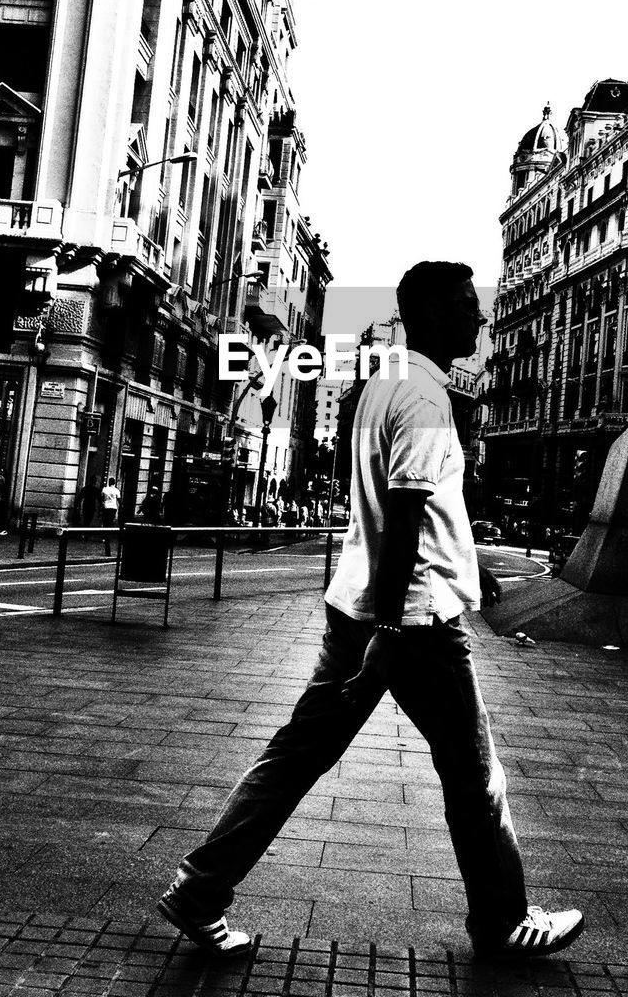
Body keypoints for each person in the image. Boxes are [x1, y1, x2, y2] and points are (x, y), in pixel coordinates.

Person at [157, 261, 584, 960]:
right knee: (475, 774)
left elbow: (399, 509)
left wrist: (467, 576)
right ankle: (504, 919)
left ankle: (200, 889)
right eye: (465, 306)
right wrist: (393, 630)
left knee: (294, 757)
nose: (478, 319)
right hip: (412, 622)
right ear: (432, 315)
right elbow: (407, 518)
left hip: (356, 608)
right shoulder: (422, 397)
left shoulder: (386, 382)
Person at [100, 475, 121, 555]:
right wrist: (120, 508)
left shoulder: (105, 489)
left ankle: (105, 536)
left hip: (106, 507)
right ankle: (108, 536)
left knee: (105, 522)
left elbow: (102, 498)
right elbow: (119, 500)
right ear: (114, 483)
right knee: (110, 521)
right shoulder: (116, 490)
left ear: (109, 482)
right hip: (113, 507)